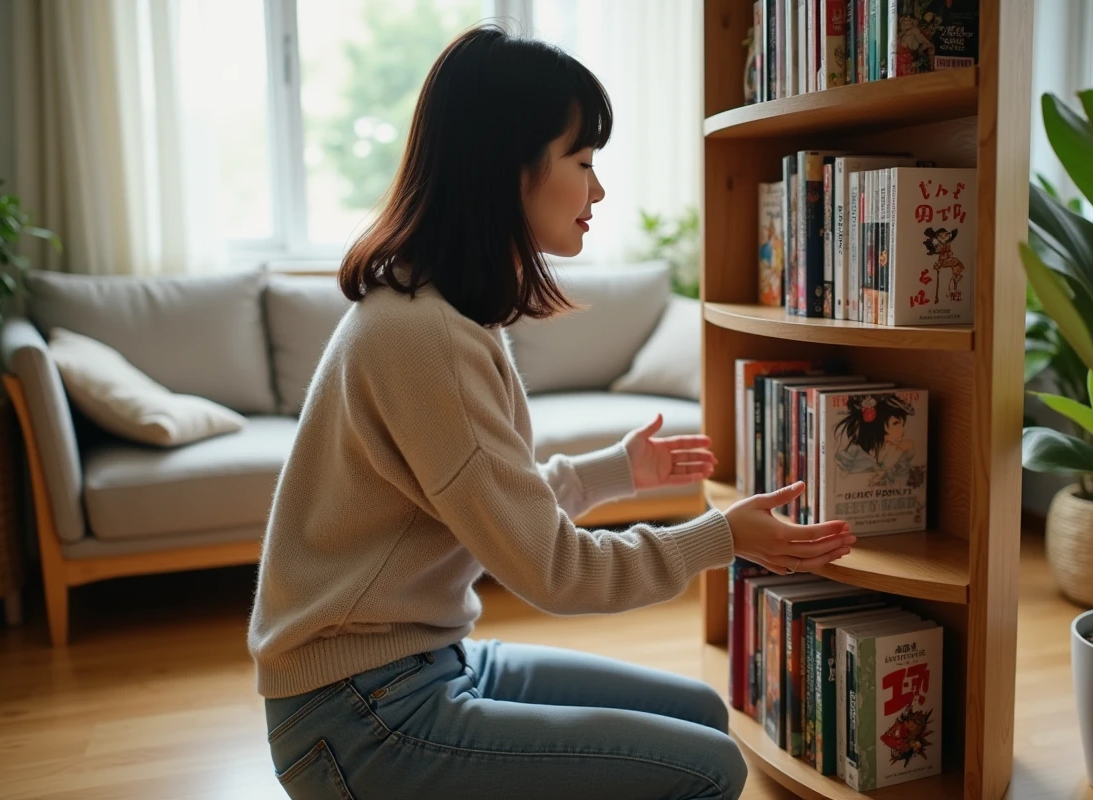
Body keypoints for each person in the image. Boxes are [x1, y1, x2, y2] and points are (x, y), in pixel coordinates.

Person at [248, 25, 854, 800]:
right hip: (358, 714)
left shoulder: (439, 306)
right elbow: (557, 572)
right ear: (510, 168)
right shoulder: (423, 335)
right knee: (711, 768)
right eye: (584, 162)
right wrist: (724, 538)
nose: (597, 191)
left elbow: (493, 503)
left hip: (421, 665)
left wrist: (615, 472)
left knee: (703, 716)